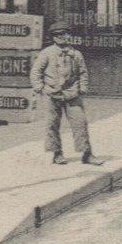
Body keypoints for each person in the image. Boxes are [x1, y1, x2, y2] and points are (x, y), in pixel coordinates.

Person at [31, 23, 101, 165]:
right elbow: (35, 72)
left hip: (71, 93)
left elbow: (83, 73)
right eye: (57, 35)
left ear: (69, 36)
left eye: (64, 34)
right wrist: (41, 88)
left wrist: (82, 89)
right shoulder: (47, 53)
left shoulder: (75, 54)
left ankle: (87, 154)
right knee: (52, 123)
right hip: (52, 93)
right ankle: (57, 154)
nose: (61, 37)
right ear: (53, 38)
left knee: (80, 122)